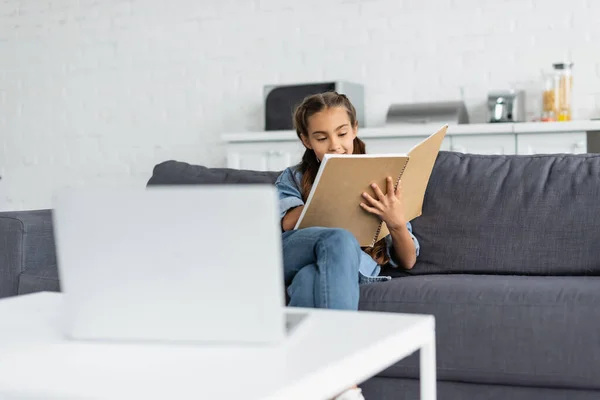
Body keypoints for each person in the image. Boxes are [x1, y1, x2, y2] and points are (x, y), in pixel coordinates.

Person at [275, 91, 420, 400]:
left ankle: (301, 383)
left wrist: (395, 222)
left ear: (354, 129)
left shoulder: (384, 179)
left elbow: (407, 261)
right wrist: (330, 190)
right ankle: (345, 379)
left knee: (309, 279)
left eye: (342, 134)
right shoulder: (293, 177)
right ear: (306, 141)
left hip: (347, 264)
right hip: (290, 253)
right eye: (321, 137)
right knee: (337, 235)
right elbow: (285, 224)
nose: (335, 145)